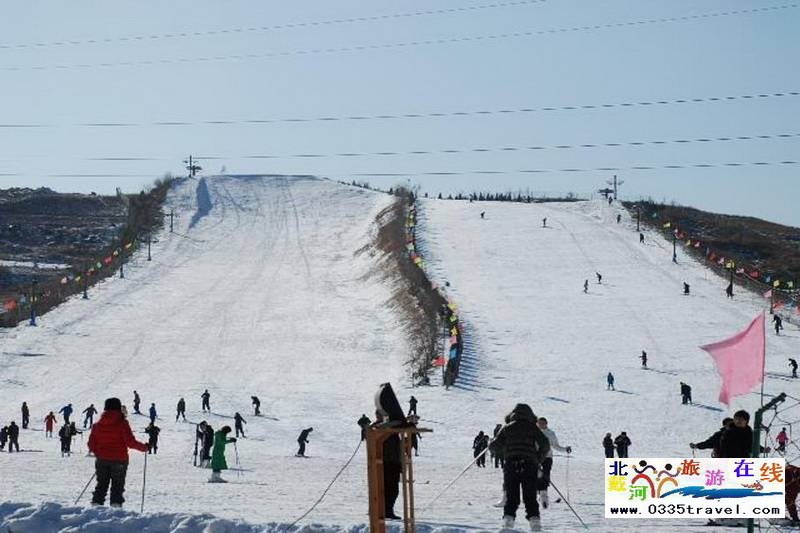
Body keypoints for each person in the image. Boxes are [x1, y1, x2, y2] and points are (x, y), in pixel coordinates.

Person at [492, 403, 550, 531]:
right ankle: (535, 525)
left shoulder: (507, 428)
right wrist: (538, 459)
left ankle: (507, 524)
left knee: (511, 496)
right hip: (529, 464)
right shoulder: (533, 428)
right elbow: (545, 445)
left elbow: (495, 445)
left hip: (511, 464)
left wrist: (504, 451)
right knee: (530, 496)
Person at [88, 397, 149, 507]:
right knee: (117, 486)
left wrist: (100, 453)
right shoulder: (122, 423)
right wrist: (144, 447)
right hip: (119, 460)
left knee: (101, 485)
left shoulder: (97, 425)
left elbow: (91, 445)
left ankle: (95, 509)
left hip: (102, 460)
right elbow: (130, 442)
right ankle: (115, 512)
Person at [536, 417, 572, 509]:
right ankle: (535, 494)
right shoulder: (533, 432)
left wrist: (565, 449)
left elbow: (556, 446)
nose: (541, 425)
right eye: (539, 423)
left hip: (547, 457)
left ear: (546, 424)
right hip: (535, 458)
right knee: (535, 476)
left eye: (542, 423)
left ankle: (544, 495)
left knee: (545, 475)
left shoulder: (551, 434)